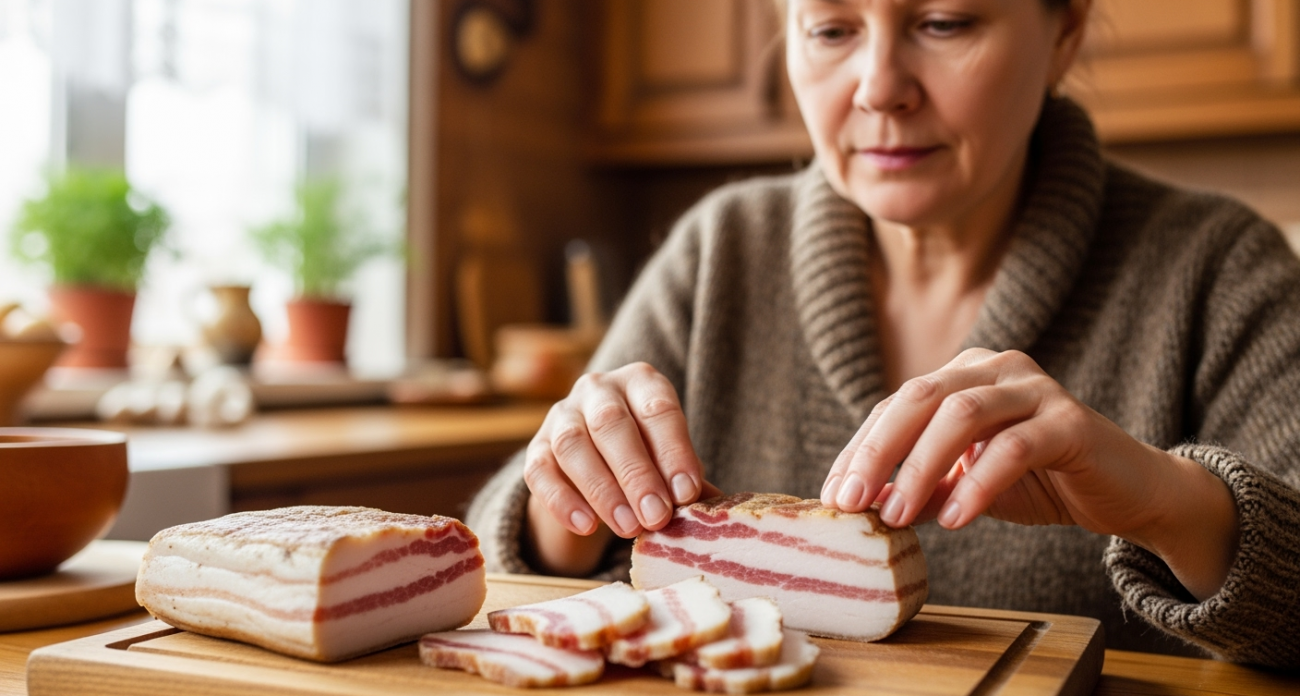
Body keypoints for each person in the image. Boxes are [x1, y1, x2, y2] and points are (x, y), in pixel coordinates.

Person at [468, 0, 1300, 667]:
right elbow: (518, 563)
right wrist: (568, 505)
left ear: (1064, 34)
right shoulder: (719, 250)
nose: (878, 87)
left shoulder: (1219, 268)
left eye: (944, 23)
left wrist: (1162, 503)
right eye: (832, 29)